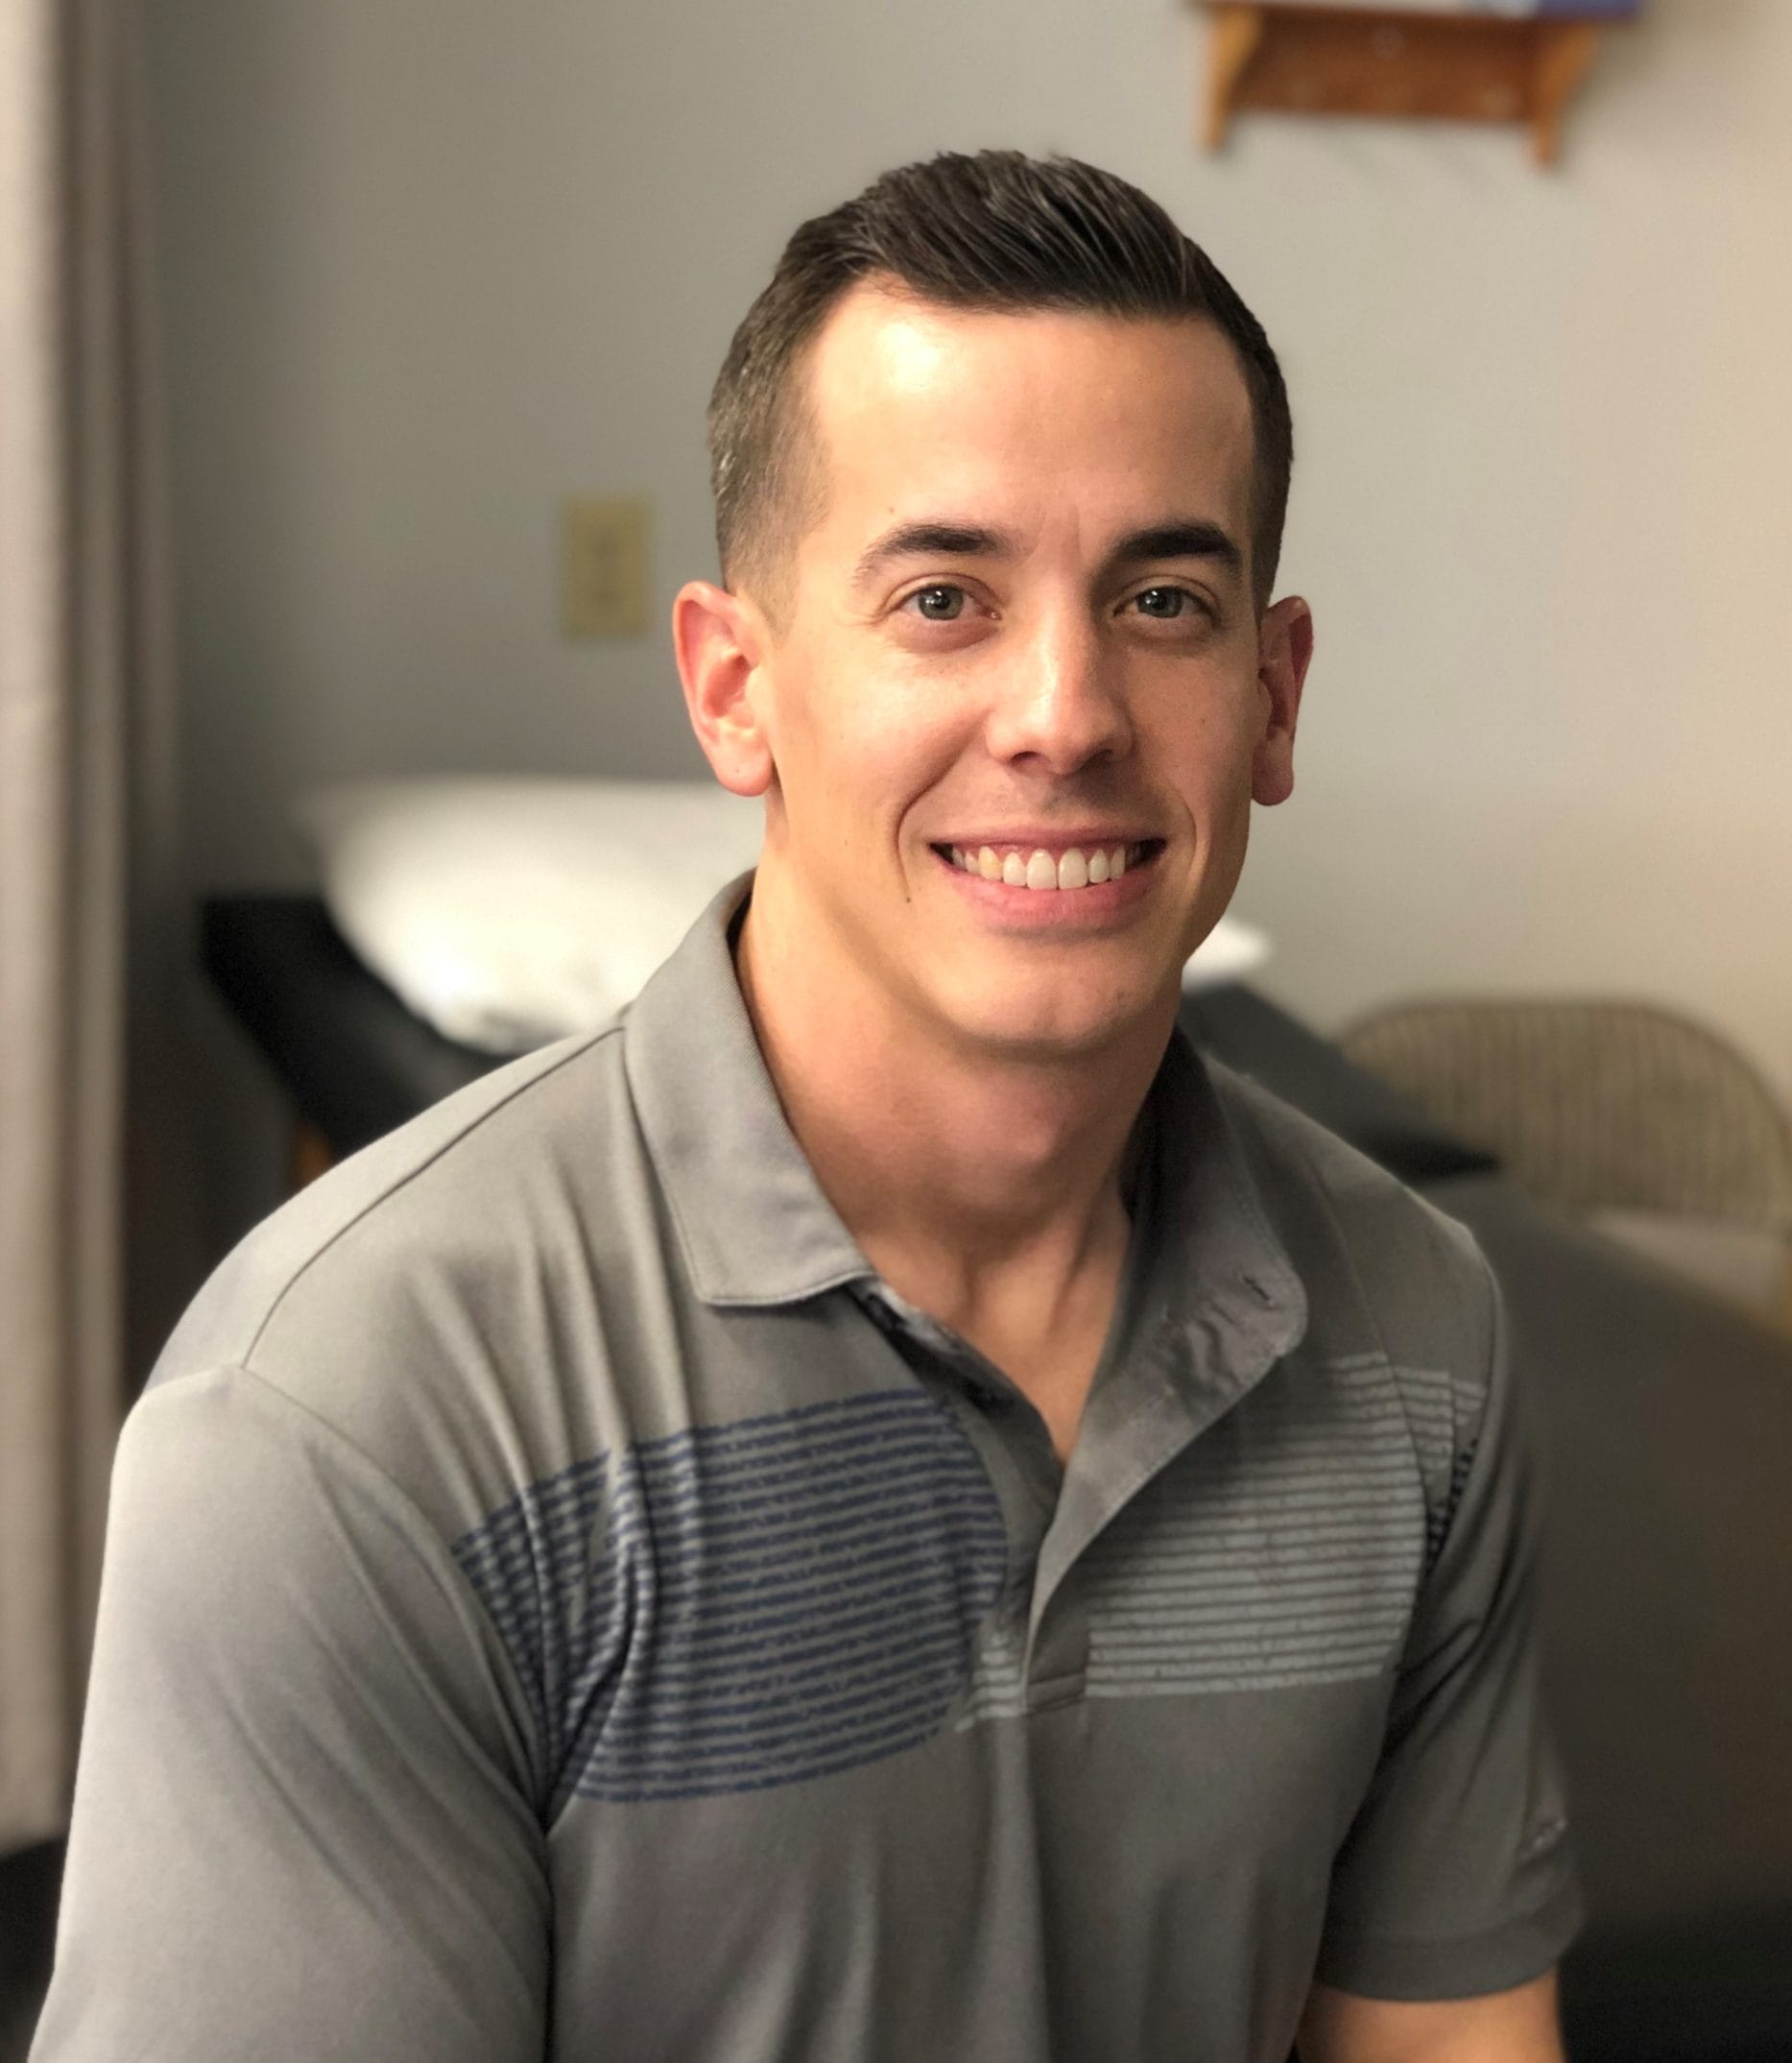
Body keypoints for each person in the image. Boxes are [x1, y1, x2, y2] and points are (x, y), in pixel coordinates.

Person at [33, 151, 1582, 2062]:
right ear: (734, 688)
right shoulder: (343, 1422)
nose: (1064, 711)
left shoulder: (1421, 1333)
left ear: (1272, 695)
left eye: (1163, 598)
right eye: (943, 597)